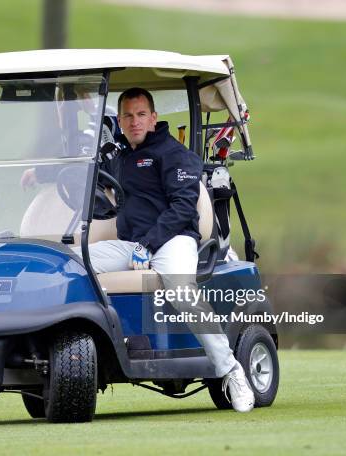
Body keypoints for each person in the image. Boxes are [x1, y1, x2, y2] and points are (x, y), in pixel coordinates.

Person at [83, 87, 255, 413]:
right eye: (128, 116)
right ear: (119, 121)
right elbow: (100, 192)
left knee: (182, 292)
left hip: (173, 240)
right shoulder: (120, 158)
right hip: (132, 244)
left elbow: (181, 208)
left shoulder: (174, 154)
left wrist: (147, 245)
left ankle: (231, 371)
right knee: (77, 264)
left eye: (141, 114)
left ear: (153, 118)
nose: (135, 122)